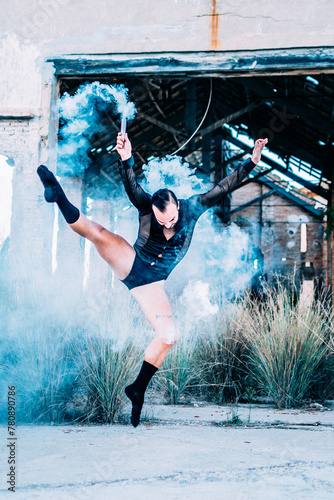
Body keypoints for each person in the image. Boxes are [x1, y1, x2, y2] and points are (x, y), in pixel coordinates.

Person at [37, 133, 268, 427]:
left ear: (177, 207)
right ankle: (58, 194)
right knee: (99, 233)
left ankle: (137, 389)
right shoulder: (147, 206)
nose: (168, 225)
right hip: (133, 262)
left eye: (171, 219)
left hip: (151, 285)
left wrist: (253, 160)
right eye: (162, 222)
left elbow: (225, 185)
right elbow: (131, 185)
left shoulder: (194, 206)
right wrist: (126, 159)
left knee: (169, 336)